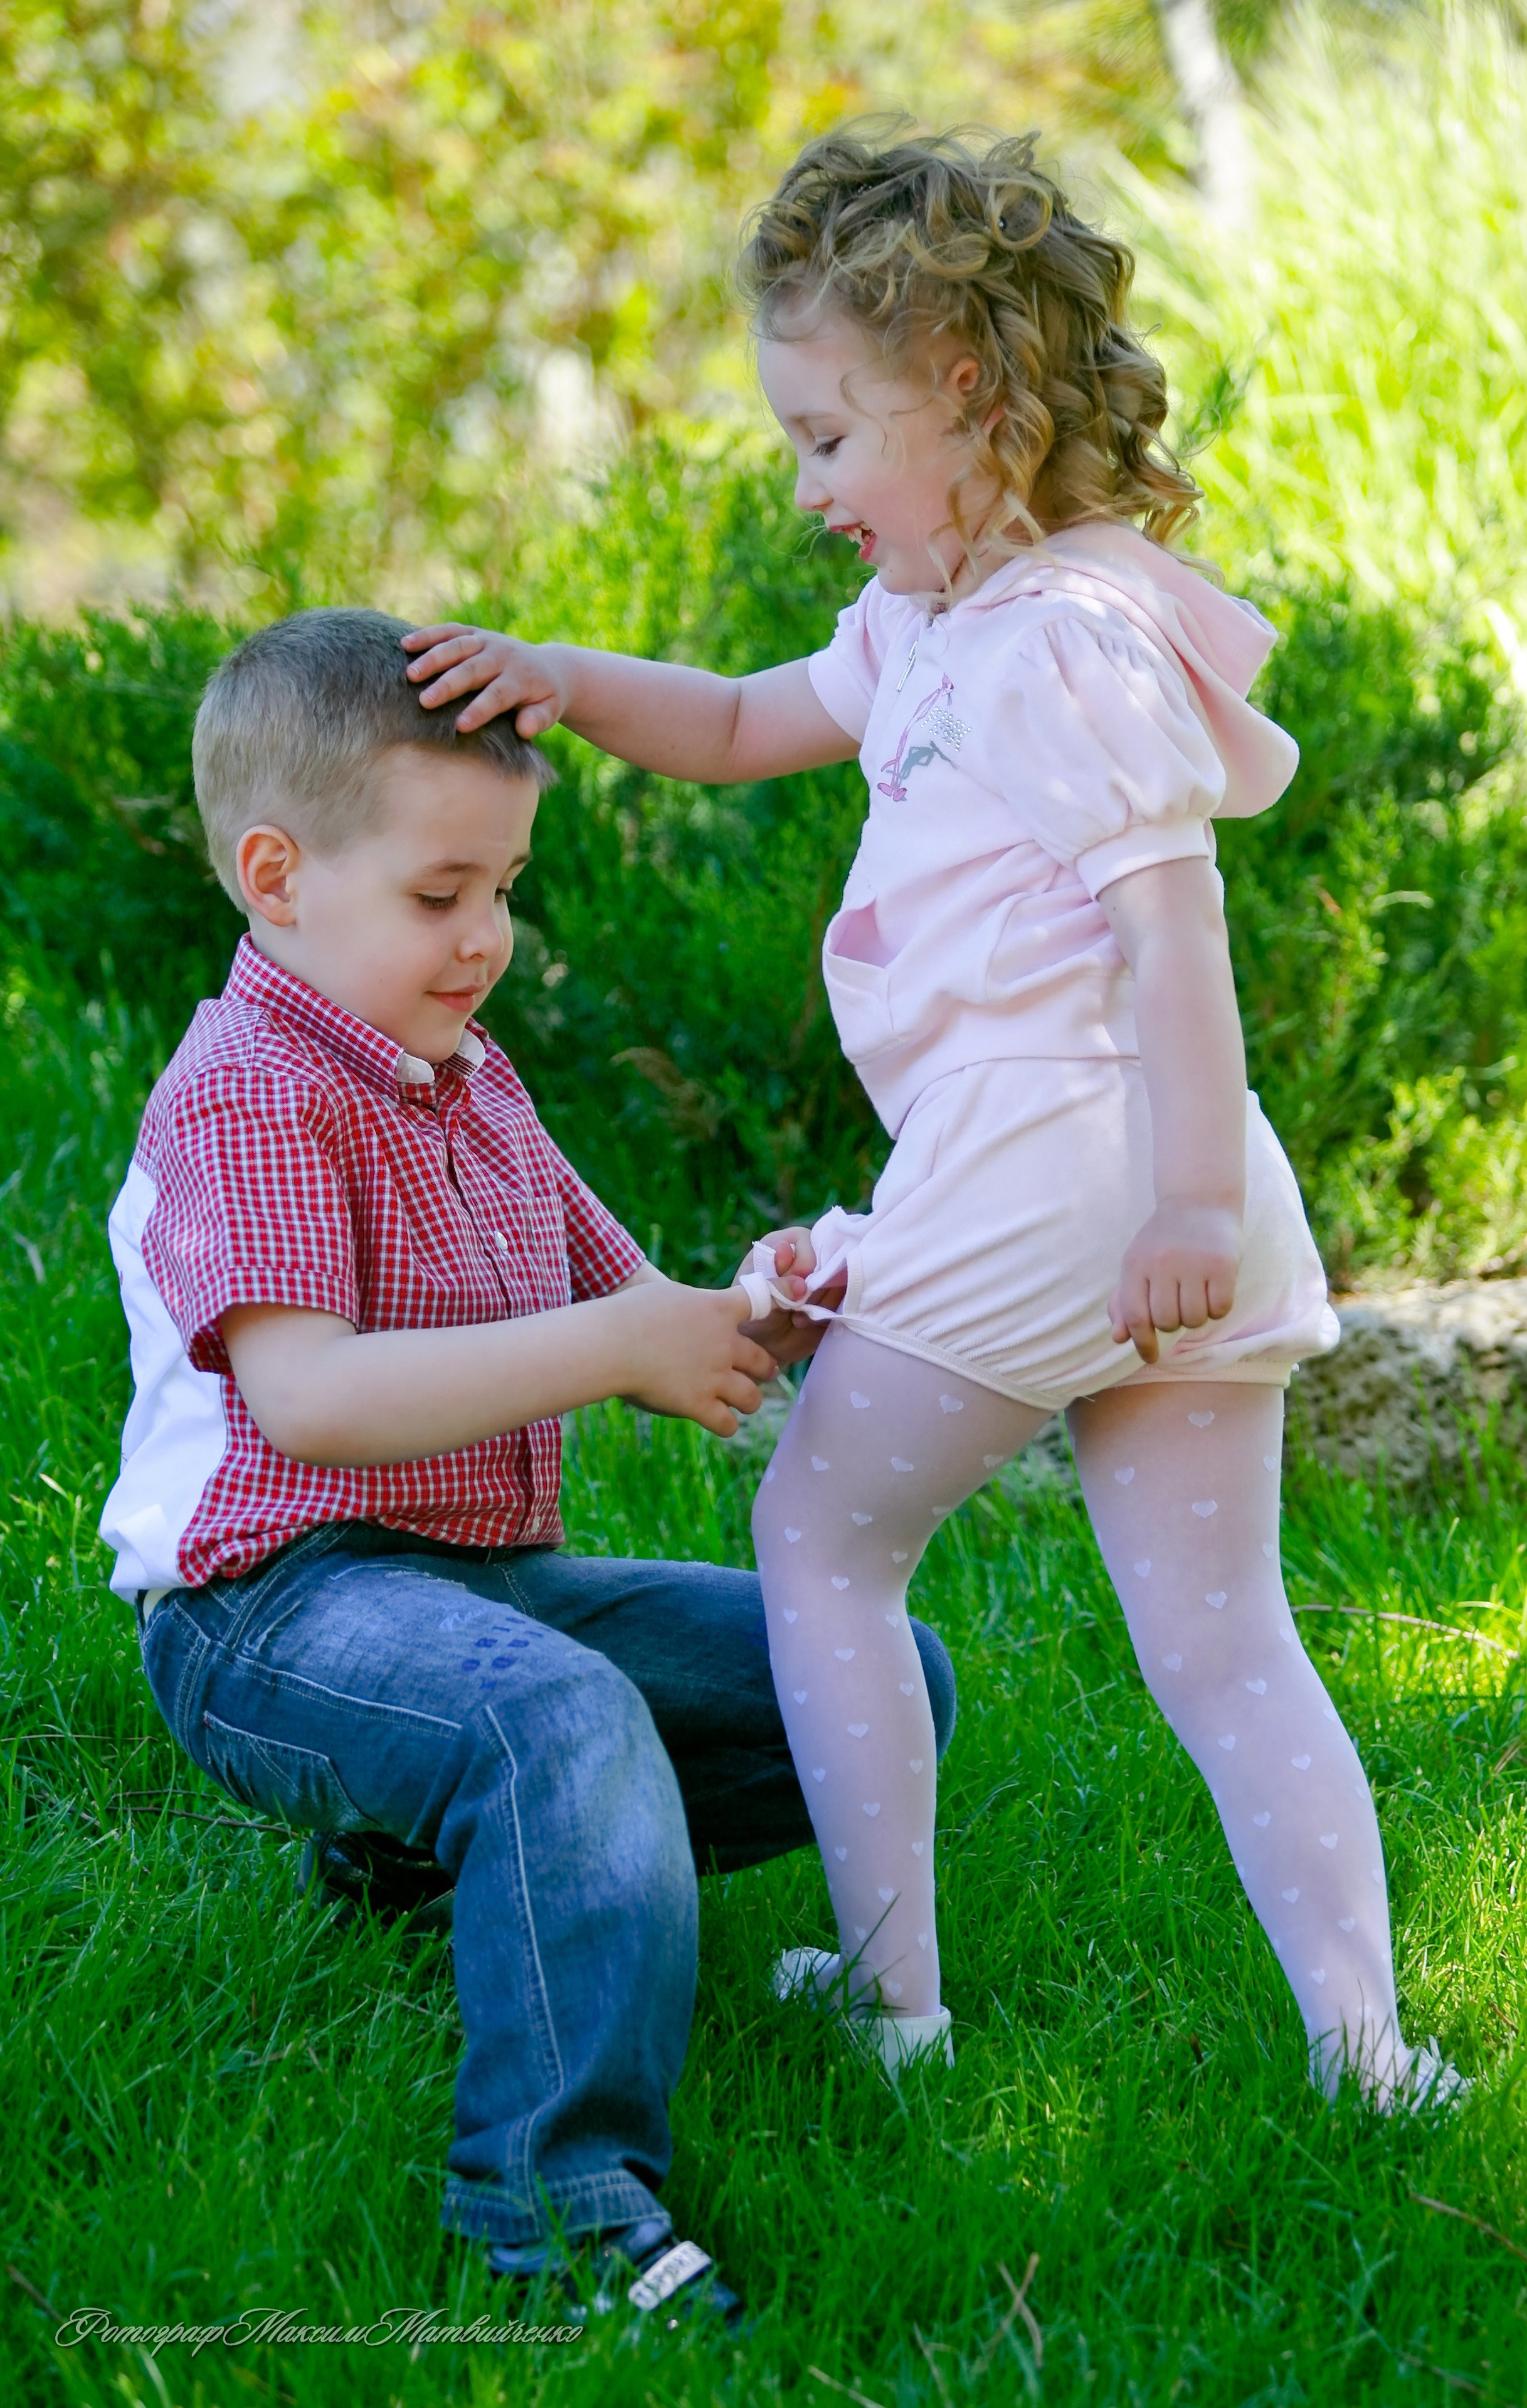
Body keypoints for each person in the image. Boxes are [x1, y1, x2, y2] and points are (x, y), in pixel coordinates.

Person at [398, 126, 1463, 2110]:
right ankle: (1365, 2050)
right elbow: (729, 721)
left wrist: (1181, 1199)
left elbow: (1174, 924)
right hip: (1152, 1179)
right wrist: (554, 675)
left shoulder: (1057, 639)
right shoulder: (934, 632)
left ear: (966, 391)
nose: (805, 488)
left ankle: (895, 2009)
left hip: (1088, 1158)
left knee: (820, 1537)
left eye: (823, 437)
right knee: (1226, 1639)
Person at [96, 605, 961, 2322]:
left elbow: (629, 1305)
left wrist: (766, 1303)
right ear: (277, 877)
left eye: (503, 887)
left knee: (875, 1681)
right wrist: (615, 1347)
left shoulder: (463, 1074)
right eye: (442, 895)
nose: (486, 936)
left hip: (474, 1584)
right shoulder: (248, 1093)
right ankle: (550, 2199)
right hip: (272, 1609)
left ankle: (428, 1871)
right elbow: (313, 1405)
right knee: (557, 1721)